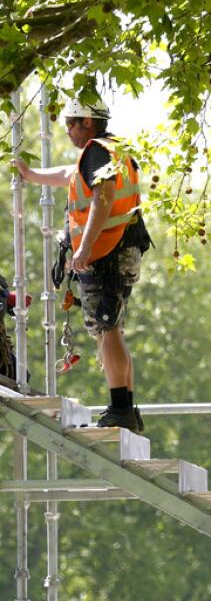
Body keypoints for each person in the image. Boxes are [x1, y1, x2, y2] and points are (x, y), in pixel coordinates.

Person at [13, 97, 151, 431]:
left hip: (105, 253)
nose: (68, 131)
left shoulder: (97, 152)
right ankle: (125, 408)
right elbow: (70, 176)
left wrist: (84, 246)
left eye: (70, 124)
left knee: (107, 327)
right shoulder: (111, 151)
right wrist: (29, 174)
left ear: (87, 122)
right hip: (122, 247)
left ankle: (120, 408)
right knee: (110, 327)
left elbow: (102, 198)